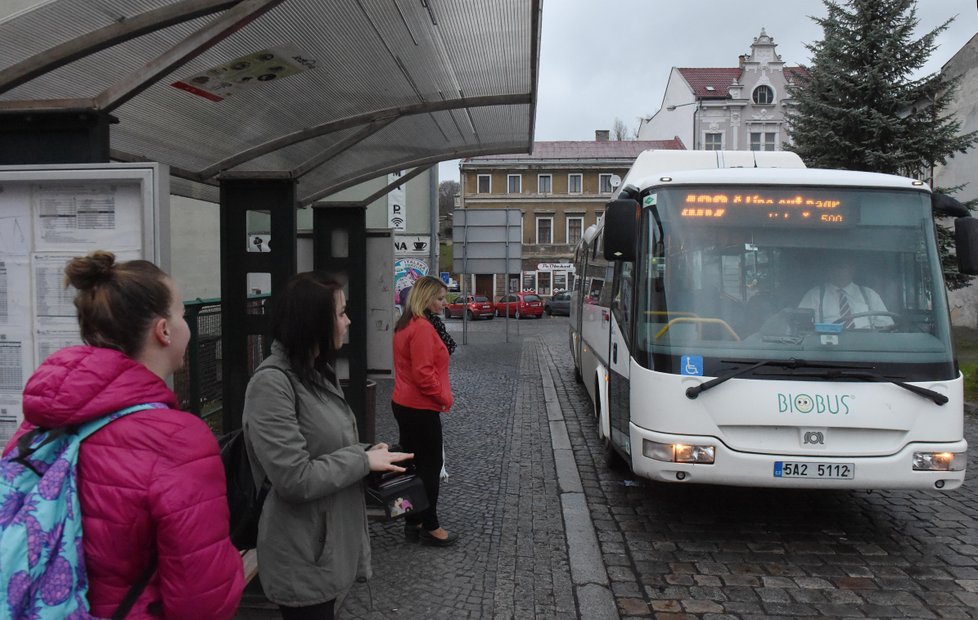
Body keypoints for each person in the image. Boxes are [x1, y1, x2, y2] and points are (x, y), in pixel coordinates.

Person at [4, 250, 244, 619]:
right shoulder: (178, 440)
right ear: (163, 330)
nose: (186, 325)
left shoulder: (43, 421)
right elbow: (203, 598)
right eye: (181, 314)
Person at [242, 272, 411, 619]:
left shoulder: (315, 373)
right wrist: (362, 461)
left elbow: (327, 446)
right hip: (302, 551)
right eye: (341, 312)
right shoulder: (272, 385)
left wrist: (368, 451)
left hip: (325, 544)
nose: (348, 321)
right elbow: (294, 478)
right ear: (315, 321)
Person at [391, 275, 458, 547]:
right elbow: (423, 373)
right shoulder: (422, 327)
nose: (444, 303)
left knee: (412, 465)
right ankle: (430, 526)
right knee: (430, 467)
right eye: (440, 298)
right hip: (420, 406)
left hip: (405, 403)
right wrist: (445, 398)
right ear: (426, 298)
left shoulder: (406, 323)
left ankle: (412, 521)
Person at [797, 255, 893, 329]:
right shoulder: (814, 295)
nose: (837, 271)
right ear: (828, 270)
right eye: (834, 267)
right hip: (827, 348)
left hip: (866, 347)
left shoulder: (870, 295)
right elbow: (801, 327)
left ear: (853, 269)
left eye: (842, 267)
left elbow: (887, 326)